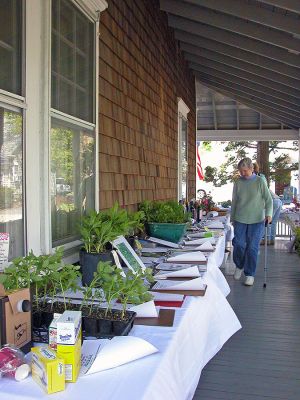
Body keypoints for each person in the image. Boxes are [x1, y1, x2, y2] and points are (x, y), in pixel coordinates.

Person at [231, 158, 273, 286]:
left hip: (257, 220)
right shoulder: (238, 182)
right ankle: (239, 265)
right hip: (240, 218)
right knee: (238, 244)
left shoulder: (260, 181)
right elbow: (234, 201)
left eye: (244, 171)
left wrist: (269, 214)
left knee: (252, 247)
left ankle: (249, 274)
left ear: (251, 169)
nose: (242, 173)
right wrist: (232, 217)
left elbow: (269, 199)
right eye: (240, 171)